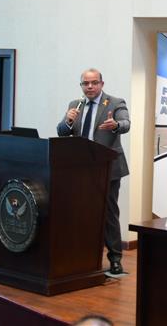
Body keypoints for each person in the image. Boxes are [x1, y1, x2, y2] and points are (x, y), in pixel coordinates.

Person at [57, 68, 130, 275]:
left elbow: (126, 124)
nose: (90, 87)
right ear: (81, 86)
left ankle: (115, 259)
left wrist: (115, 125)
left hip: (108, 168)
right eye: (86, 83)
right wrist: (68, 121)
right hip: (81, 170)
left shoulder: (115, 103)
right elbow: (62, 132)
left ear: (101, 84)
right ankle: (83, 256)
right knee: (81, 212)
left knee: (108, 214)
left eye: (94, 83)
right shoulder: (75, 105)